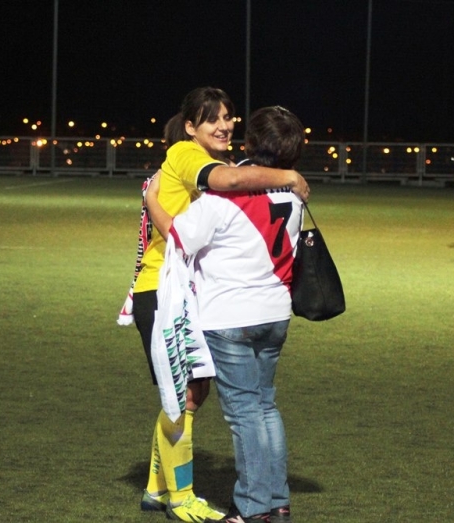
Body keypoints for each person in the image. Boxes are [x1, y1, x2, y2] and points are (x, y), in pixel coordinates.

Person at [131, 88, 309, 523]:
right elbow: (229, 183)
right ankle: (190, 496)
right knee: (217, 400)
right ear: (190, 127)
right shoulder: (197, 160)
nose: (224, 125)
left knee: (209, 400)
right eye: (213, 118)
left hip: (220, 305)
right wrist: (289, 176)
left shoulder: (227, 182)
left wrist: (153, 200)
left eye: (230, 117)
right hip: (195, 294)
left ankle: (189, 495)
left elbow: (199, 221)